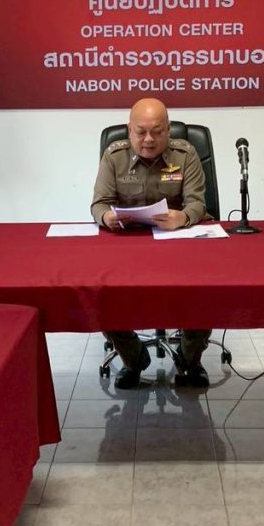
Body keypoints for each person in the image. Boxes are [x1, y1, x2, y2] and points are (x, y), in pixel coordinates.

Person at [91, 97, 211, 389]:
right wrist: (107, 217)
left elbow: (198, 203)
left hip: (178, 243)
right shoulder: (114, 155)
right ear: (129, 130)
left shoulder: (186, 153)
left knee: (207, 289)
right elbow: (99, 204)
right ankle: (133, 358)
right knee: (101, 292)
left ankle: (189, 360)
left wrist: (183, 217)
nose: (148, 139)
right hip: (126, 247)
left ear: (168, 130)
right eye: (141, 132)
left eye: (157, 131)